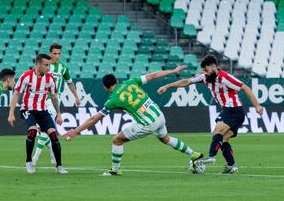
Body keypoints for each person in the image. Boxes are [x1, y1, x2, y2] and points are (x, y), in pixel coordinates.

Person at [64, 66, 204, 176]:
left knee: (117, 140)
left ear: (105, 88)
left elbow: (95, 119)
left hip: (148, 123)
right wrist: (173, 71)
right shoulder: (131, 82)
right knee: (165, 139)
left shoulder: (113, 100)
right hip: (159, 115)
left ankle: (115, 169)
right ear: (117, 81)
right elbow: (154, 75)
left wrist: (76, 131)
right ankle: (194, 154)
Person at [157, 54, 263, 174]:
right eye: (204, 70)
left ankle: (211, 156)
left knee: (217, 132)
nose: (205, 73)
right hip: (229, 111)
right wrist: (168, 86)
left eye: (206, 69)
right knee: (223, 139)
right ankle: (231, 165)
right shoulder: (204, 76)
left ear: (213, 67)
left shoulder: (225, 77)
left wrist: (257, 105)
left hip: (234, 110)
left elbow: (245, 88)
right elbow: (187, 81)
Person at [7, 53, 68, 174]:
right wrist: (11, 113)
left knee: (54, 136)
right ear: (38, 64)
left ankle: (59, 166)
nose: (48, 68)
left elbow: (54, 97)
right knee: (32, 131)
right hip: (28, 110)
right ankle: (29, 161)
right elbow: (16, 94)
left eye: (49, 65)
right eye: (46, 65)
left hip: (43, 111)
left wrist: (58, 113)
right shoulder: (26, 77)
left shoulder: (50, 79)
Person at [32, 43, 81, 166]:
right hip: (39, 99)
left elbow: (70, 83)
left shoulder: (63, 68)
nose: (57, 56)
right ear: (50, 54)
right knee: (44, 130)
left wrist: (76, 96)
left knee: (43, 130)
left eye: (59, 53)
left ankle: (34, 159)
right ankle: (54, 155)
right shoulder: (44, 67)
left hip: (52, 100)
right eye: (54, 53)